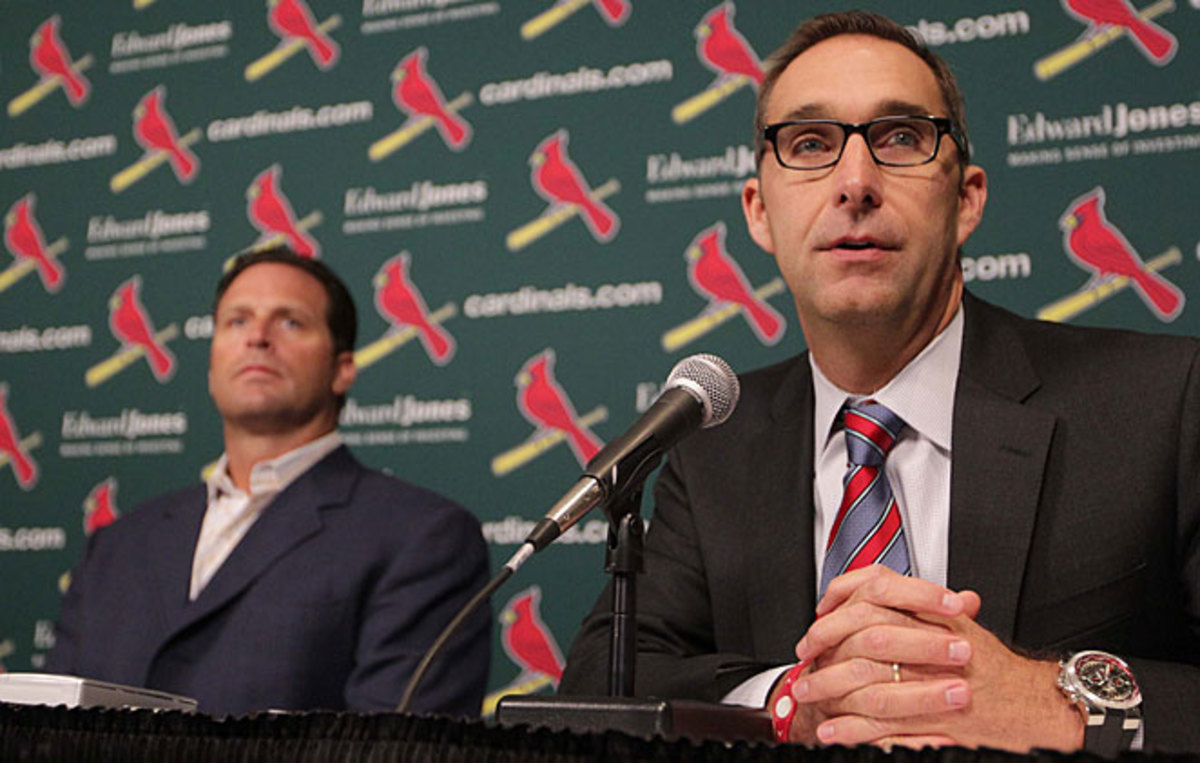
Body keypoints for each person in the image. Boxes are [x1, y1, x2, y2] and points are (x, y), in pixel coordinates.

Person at [559, 11, 1200, 755]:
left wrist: (1056, 702)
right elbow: (606, 674)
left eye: (899, 138)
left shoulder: (1163, 400)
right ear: (759, 212)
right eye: (808, 144)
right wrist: (787, 698)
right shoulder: (715, 446)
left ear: (966, 199)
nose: (855, 183)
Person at [47, 246, 490, 718]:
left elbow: (393, 748)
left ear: (343, 369)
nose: (257, 337)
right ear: (212, 363)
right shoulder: (117, 544)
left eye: (290, 322)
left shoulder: (423, 538)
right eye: (236, 321)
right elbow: (45, 729)